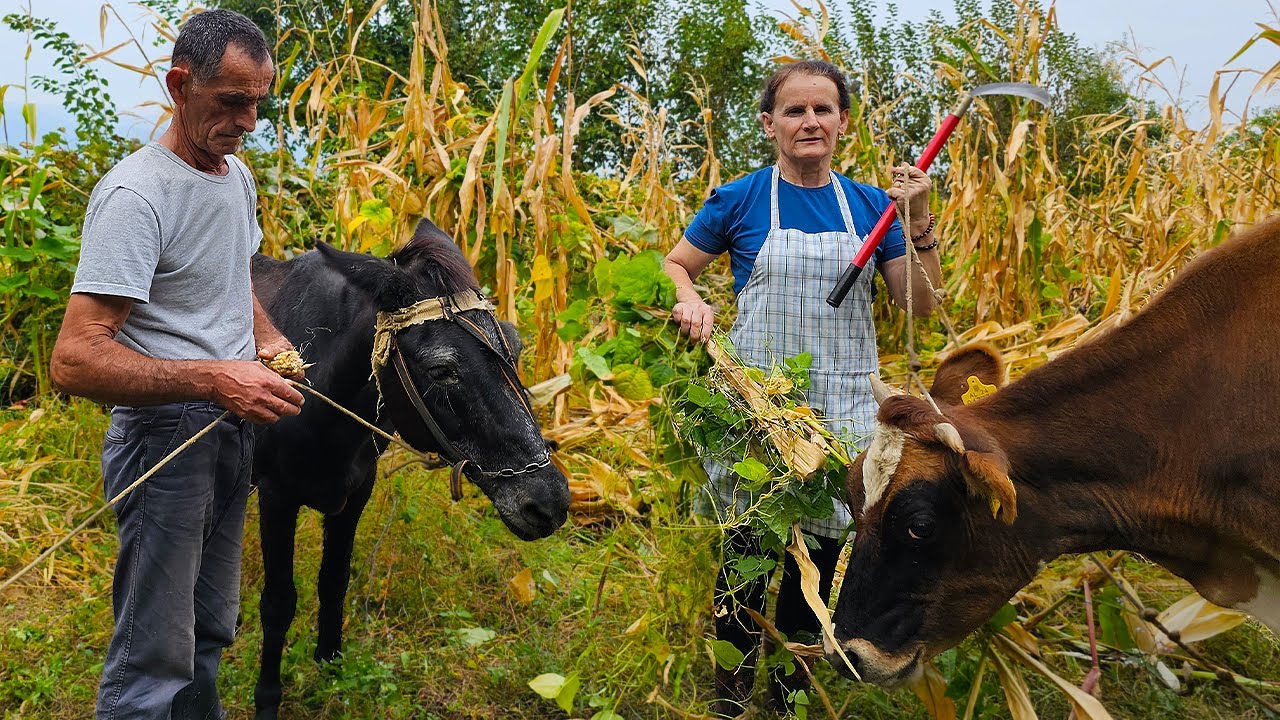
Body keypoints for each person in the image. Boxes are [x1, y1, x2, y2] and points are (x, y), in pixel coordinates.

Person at [663, 60, 943, 716]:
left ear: (843, 122)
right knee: (742, 565)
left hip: (841, 415)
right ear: (770, 124)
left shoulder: (874, 207)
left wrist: (920, 218)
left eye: (823, 109)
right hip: (757, 412)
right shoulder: (739, 199)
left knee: (810, 573)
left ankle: (786, 697)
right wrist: (688, 300)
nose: (810, 121)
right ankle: (729, 700)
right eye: (794, 111)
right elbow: (675, 264)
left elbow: (920, 305)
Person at [49, 10, 305, 719]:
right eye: (231, 101)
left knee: (210, 628)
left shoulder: (235, 179)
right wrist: (213, 376)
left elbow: (233, 284)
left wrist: (269, 342)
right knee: (153, 652)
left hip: (228, 431)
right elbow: (74, 359)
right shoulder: (139, 196)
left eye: (259, 101)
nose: (249, 121)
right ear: (179, 85)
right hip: (165, 439)